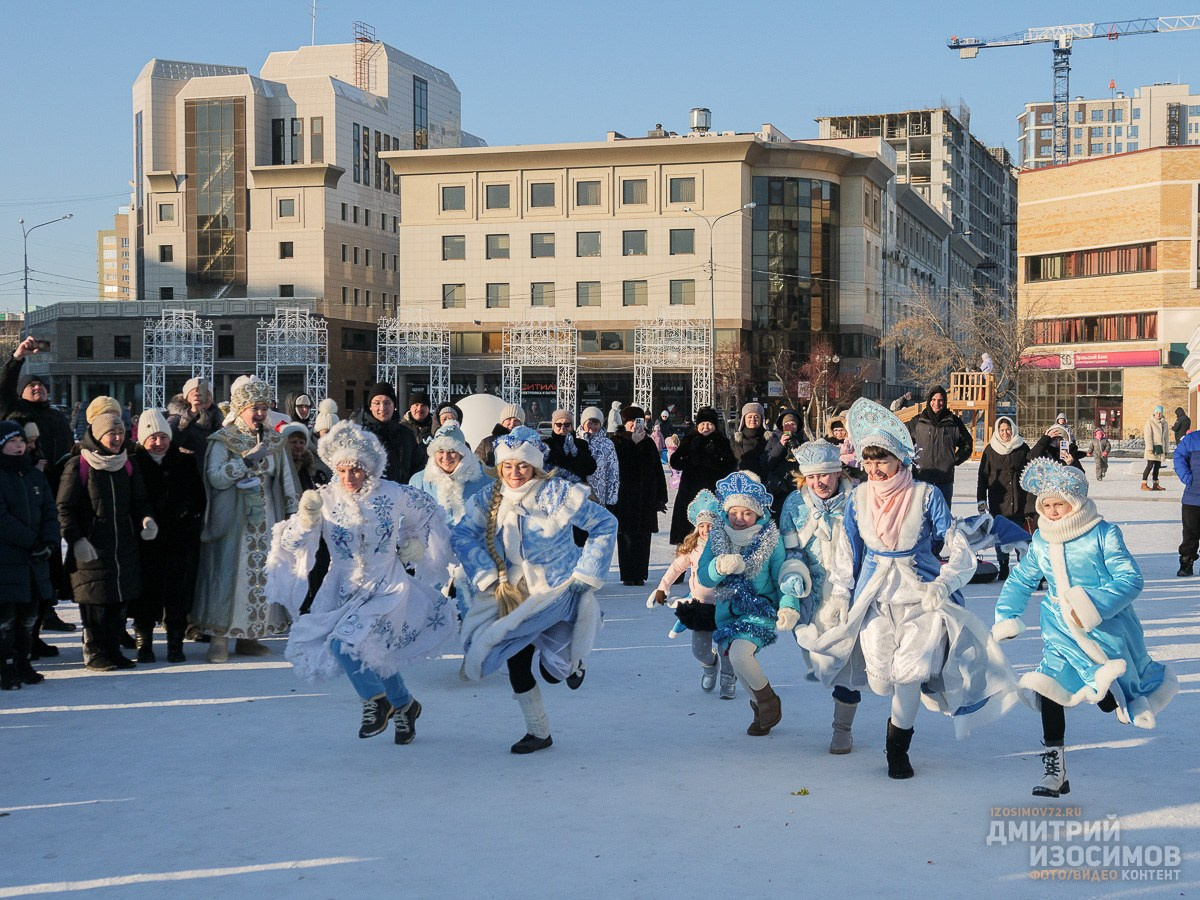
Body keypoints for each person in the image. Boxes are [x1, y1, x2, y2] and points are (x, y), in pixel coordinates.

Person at [800, 398, 1017, 779]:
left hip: (921, 595)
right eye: (868, 462)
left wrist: (944, 583)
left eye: (881, 461)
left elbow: (955, 544)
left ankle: (897, 749)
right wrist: (838, 594)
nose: (874, 469)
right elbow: (847, 551)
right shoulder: (858, 498)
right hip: (875, 596)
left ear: (901, 460)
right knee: (881, 678)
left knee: (909, 674)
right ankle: (895, 715)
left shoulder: (926, 495)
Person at [993, 458, 1178, 797]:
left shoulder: (1102, 533)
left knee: (1109, 692)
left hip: (1105, 631)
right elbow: (1022, 579)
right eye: (1046, 505)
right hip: (1059, 634)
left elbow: (1131, 579)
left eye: (1058, 505)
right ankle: (1055, 768)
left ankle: (1122, 701)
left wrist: (1093, 606)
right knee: (1047, 689)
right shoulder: (1042, 541)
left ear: (1074, 502)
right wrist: (1007, 615)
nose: (1051, 512)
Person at [266, 421, 454, 744]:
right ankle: (405, 705)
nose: (350, 477)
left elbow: (427, 511)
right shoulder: (323, 498)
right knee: (370, 652)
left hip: (387, 585)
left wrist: (415, 543)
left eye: (356, 470)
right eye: (343, 470)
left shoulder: (393, 493)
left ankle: (375, 701)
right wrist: (308, 519)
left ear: (369, 468)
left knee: (344, 644)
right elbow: (292, 540)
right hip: (343, 586)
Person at [451, 427, 617, 753]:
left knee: (555, 672)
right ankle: (539, 732)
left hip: (558, 588)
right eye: (508, 466)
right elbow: (462, 535)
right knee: (515, 660)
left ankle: (573, 661)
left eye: (523, 466)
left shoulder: (556, 493)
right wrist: (485, 574)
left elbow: (604, 523)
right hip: (514, 593)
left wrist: (589, 571)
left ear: (535, 466)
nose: (515, 473)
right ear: (499, 467)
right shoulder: (490, 497)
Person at [191, 376, 298, 663]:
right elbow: (214, 478)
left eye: (264, 407)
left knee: (263, 575)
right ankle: (220, 636)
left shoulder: (276, 440)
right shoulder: (222, 441)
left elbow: (287, 481)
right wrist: (244, 462)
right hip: (233, 520)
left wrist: (295, 515)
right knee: (229, 575)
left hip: (267, 520)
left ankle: (251, 635)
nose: (260, 413)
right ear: (240, 409)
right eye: (254, 408)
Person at [57, 412, 157, 671]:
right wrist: (76, 538)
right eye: (111, 433)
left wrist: (146, 520)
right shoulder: (79, 465)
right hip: (91, 547)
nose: (116, 438)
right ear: (98, 436)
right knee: (96, 604)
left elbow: (140, 501)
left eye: (121, 433)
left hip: (123, 545)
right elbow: (64, 507)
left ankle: (113, 650)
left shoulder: (127, 464)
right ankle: (95, 652)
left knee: (118, 603)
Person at [778, 440, 860, 753]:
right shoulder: (794, 505)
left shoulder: (859, 500)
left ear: (838, 472)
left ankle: (843, 729)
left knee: (848, 666)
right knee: (821, 659)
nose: (819, 483)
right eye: (812, 478)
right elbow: (790, 551)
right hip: (810, 597)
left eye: (825, 475)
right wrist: (794, 578)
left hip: (851, 593)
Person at [696, 471, 792, 736]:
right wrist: (719, 566)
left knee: (740, 654)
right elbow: (704, 575)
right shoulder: (717, 537)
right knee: (737, 663)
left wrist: (788, 605)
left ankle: (768, 700)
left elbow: (781, 576)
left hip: (759, 609)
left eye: (746, 513)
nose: (739, 519)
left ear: (758, 514)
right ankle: (761, 708)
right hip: (727, 613)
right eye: (734, 512)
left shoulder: (771, 540)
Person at [2, 336, 78, 640]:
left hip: (53, 488)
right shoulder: (14, 410)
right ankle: (28, 632)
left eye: (41, 386)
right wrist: (18, 357)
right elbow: (4, 388)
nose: (38, 388)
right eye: (32, 386)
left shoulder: (56, 415)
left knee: (49, 554)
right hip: (21, 488)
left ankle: (47, 612)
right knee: (26, 554)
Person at [130, 409, 206, 663]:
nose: (158, 443)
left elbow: (198, 498)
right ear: (142, 439)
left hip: (178, 538)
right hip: (146, 540)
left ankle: (175, 643)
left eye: (163, 437)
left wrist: (186, 513)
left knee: (176, 593)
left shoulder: (184, 461)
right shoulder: (133, 464)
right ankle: (144, 643)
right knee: (146, 594)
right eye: (152, 438)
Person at [649, 490, 736, 696]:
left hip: (725, 606)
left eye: (710, 525)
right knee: (699, 650)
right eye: (702, 526)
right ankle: (710, 666)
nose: (706, 530)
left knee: (727, 648)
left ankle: (728, 677)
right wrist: (663, 587)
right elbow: (676, 568)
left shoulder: (729, 546)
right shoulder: (694, 548)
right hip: (701, 607)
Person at [0, 421, 58, 688]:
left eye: (21, 441)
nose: (19, 445)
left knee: (29, 617)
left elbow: (50, 510)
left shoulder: (34, 475)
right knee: (6, 620)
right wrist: (31, 541)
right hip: (8, 559)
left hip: (34, 561)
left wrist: (48, 541)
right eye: (12, 441)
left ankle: (24, 661)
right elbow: (2, 519)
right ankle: (6, 667)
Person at [612, 406, 668, 586]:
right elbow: (618, 465)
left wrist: (661, 497)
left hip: (646, 498)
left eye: (637, 422)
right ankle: (628, 574)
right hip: (625, 498)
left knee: (643, 537)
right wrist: (631, 443)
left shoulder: (649, 442)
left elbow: (658, 471)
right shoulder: (617, 441)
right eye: (630, 422)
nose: (634, 426)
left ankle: (640, 573)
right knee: (626, 537)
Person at [976, 416, 1034, 580]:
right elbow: (983, 476)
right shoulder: (990, 449)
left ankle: (1022, 565)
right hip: (998, 500)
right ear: (997, 431)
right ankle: (1003, 565)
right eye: (1001, 430)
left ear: (1013, 429)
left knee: (1019, 535)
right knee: (1000, 535)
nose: (1005, 433)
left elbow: (1031, 470)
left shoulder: (1022, 447)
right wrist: (981, 499)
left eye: (1008, 429)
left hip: (1019, 499)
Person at [668, 407, 735, 544]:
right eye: (702, 424)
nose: (706, 427)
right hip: (690, 491)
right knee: (688, 531)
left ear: (715, 426)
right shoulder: (689, 439)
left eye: (709, 424)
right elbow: (675, 463)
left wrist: (715, 453)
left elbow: (730, 465)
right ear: (697, 425)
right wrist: (689, 452)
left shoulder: (722, 441)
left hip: (713, 491)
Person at [907, 386, 973, 507]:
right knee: (920, 519)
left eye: (941, 400)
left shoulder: (954, 422)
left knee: (943, 520)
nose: (937, 403)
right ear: (929, 401)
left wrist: (954, 460)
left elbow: (967, 444)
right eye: (933, 399)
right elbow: (904, 443)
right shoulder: (917, 422)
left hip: (944, 480)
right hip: (921, 479)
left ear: (945, 401)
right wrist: (909, 460)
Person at [359, 383, 423, 484]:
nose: (382, 408)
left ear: (394, 406)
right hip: (369, 495)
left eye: (387, 403)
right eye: (377, 403)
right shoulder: (360, 435)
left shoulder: (406, 435)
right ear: (370, 406)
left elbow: (419, 467)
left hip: (401, 495)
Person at [167, 377, 222, 467]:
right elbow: (171, 439)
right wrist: (191, 413)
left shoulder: (216, 418)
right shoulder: (176, 418)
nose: (202, 397)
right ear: (186, 397)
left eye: (206, 394)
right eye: (194, 393)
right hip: (187, 471)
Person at [731, 401, 786, 484]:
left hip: (765, 484)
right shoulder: (735, 440)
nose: (753, 419)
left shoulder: (770, 439)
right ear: (744, 419)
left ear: (762, 419)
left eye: (756, 417)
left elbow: (774, 461)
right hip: (741, 485)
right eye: (749, 417)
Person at [576, 406, 618, 510]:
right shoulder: (574, 441)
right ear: (583, 423)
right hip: (577, 496)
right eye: (590, 423)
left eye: (596, 423)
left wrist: (611, 499)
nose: (593, 427)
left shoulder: (607, 444)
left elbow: (613, 472)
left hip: (599, 496)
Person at [1173, 420, 1200, 576]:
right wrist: (1187, 477)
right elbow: (1179, 457)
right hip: (1193, 498)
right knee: (1190, 533)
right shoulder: (1192, 439)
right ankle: (1186, 562)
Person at [544, 409, 596, 486]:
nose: (563, 428)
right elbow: (546, 467)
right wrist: (562, 452)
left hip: (578, 489)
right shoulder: (547, 444)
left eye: (567, 424)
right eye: (559, 425)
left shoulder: (581, 444)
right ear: (553, 426)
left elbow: (591, 468)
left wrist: (576, 452)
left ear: (571, 426)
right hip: (555, 489)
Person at [474, 403, 524, 468]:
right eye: (509, 419)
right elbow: (475, 466)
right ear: (502, 421)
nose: (512, 423)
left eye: (516, 420)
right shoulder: (487, 443)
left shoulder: (528, 442)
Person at [1142, 406, 1169, 492]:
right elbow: (1147, 435)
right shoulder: (1150, 422)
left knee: (1157, 467)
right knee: (1149, 466)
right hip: (1153, 448)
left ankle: (1156, 484)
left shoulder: (1165, 423)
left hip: (1160, 449)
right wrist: (1150, 447)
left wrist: (1166, 449)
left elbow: (1166, 437)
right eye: (1157, 413)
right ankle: (1144, 483)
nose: (1159, 414)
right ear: (1154, 413)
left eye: (1160, 413)